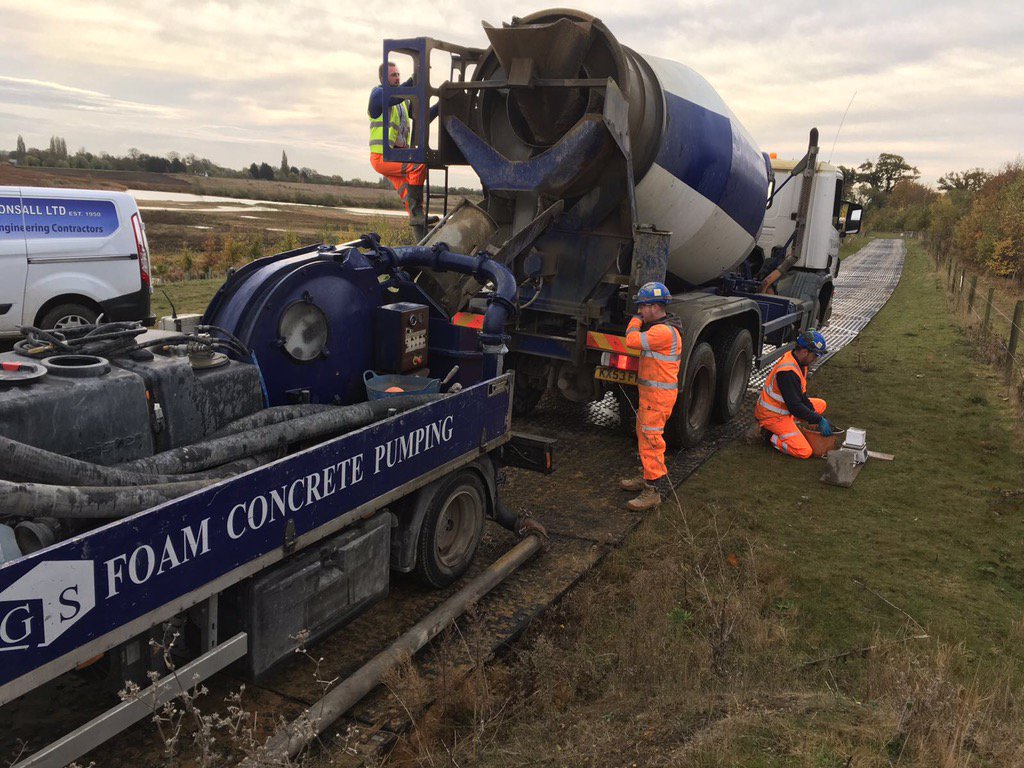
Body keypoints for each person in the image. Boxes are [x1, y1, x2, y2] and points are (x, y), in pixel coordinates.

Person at [618, 282, 684, 511]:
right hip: (654, 397)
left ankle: (652, 491)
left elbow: (632, 341)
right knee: (644, 436)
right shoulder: (663, 328)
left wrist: (635, 322)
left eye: (643, 307)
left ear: (656, 307)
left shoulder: (662, 332)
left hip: (657, 398)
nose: (640, 312)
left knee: (651, 441)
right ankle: (646, 476)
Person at [367, 61, 435, 241]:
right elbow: (392, 97)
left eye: (398, 75)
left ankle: (422, 246)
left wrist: (443, 103)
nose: (397, 78)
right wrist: (413, 80)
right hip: (383, 156)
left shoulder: (402, 102)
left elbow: (422, 117)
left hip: (398, 156)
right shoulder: (378, 95)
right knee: (417, 166)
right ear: (382, 78)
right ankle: (417, 215)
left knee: (412, 202)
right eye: (393, 75)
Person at [754, 329, 833, 459]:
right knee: (804, 451)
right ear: (804, 352)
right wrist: (817, 419)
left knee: (821, 405)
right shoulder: (787, 372)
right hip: (773, 416)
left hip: (784, 408)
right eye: (815, 356)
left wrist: (813, 416)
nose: (815, 359)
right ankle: (769, 435)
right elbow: (795, 406)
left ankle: (793, 426)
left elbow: (802, 396)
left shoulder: (799, 363)